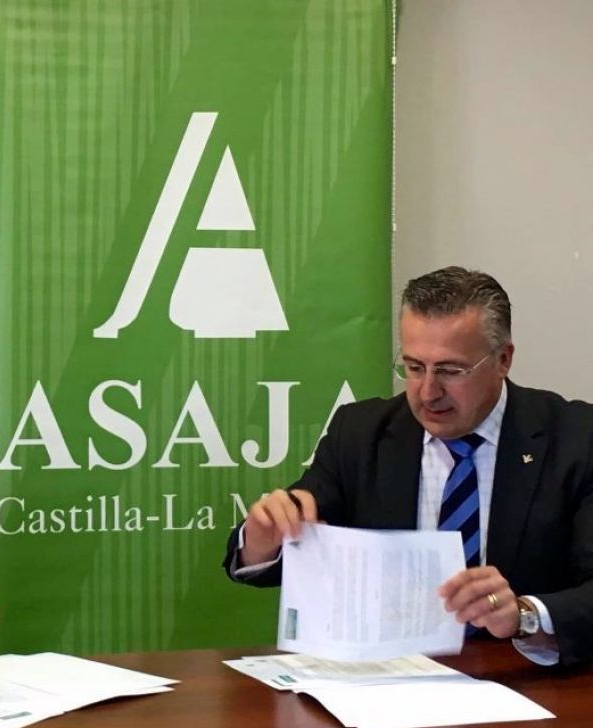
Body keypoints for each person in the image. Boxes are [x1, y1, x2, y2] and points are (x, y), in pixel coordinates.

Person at [224, 266, 593, 666]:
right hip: (390, 677)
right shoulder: (361, 433)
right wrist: (262, 539)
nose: (428, 392)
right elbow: (296, 540)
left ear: (503, 359)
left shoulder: (575, 438)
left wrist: (525, 615)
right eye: (414, 367)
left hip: (526, 679)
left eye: (450, 371)